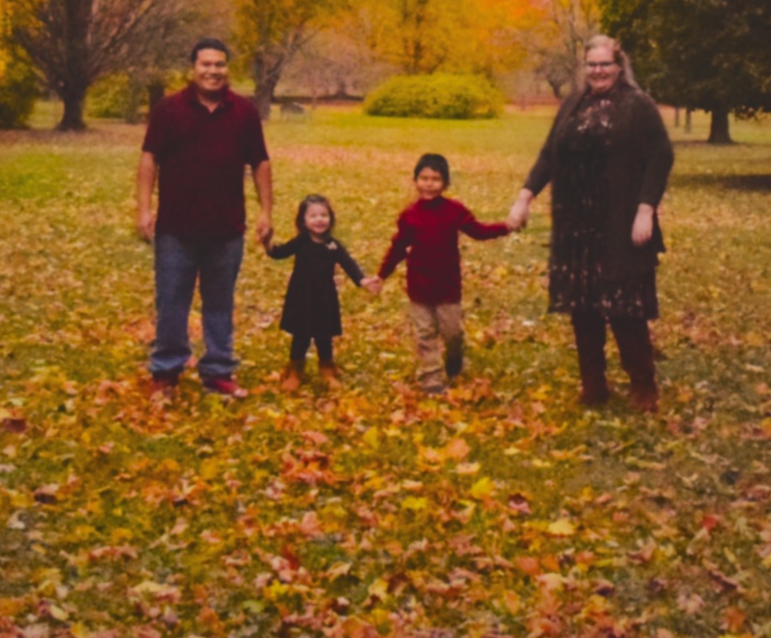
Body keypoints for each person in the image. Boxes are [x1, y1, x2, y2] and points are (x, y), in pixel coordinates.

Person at [508, 35, 673, 410]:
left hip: (619, 224)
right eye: (592, 65)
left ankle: (643, 385)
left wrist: (646, 209)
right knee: (583, 306)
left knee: (624, 307)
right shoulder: (573, 104)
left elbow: (661, 157)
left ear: (619, 67)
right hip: (576, 227)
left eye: (605, 65)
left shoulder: (638, 106)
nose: (598, 71)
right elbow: (550, 154)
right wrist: (525, 196)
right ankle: (593, 384)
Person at [137, 38, 273, 398]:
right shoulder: (169, 110)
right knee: (171, 302)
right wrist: (144, 209)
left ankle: (218, 372)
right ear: (193, 68)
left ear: (227, 69)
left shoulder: (244, 111)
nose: (213, 71)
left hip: (225, 228)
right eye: (206, 64)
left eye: (220, 65)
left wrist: (266, 211)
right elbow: (150, 158)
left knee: (219, 304)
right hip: (176, 229)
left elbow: (260, 162)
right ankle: (166, 372)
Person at [375, 152, 510, 394]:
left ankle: (455, 360)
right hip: (419, 285)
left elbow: (478, 231)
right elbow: (397, 247)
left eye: (435, 179)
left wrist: (505, 227)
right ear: (415, 181)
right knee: (425, 334)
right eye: (424, 178)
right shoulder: (409, 216)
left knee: (452, 333)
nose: (429, 184)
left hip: (447, 285)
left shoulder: (454, 210)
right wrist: (381, 275)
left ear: (445, 183)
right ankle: (432, 379)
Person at [266, 193, 374, 388]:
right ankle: (296, 369)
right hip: (301, 296)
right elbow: (279, 253)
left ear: (330, 218)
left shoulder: (333, 245)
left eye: (324, 215)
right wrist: (267, 242)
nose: (319, 220)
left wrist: (363, 280)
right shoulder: (301, 241)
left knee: (324, 335)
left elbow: (349, 264)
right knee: (301, 334)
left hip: (325, 297)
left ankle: (326, 367)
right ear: (303, 221)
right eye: (313, 216)